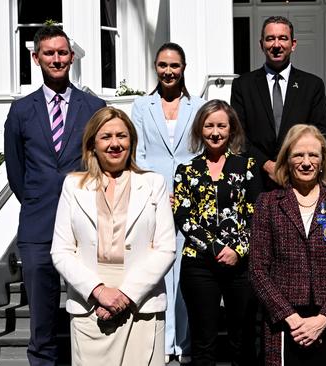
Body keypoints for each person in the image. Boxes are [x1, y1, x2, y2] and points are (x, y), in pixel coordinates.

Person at [4, 25, 105, 365]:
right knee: (43, 324)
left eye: (62, 52)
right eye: (49, 53)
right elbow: (16, 173)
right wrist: (38, 200)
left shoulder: (95, 106)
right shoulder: (21, 111)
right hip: (38, 227)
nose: (57, 58)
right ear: (36, 58)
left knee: (92, 314)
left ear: (72, 57)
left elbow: (103, 163)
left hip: (87, 227)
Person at [50, 107, 175, 365]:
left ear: (132, 141)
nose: (115, 144)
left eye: (122, 136)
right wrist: (98, 291)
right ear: (92, 144)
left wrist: (125, 295)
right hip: (90, 305)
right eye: (106, 137)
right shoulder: (73, 186)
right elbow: (61, 251)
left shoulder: (154, 183)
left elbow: (166, 249)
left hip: (142, 302)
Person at [250, 124, 326, 366]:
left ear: (323, 161)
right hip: (284, 322)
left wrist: (323, 319)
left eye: (313, 155)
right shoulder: (267, 204)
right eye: (298, 155)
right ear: (287, 159)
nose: (306, 162)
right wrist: (292, 318)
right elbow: (258, 269)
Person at [131, 42, 206, 363]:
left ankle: (185, 345)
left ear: (184, 68)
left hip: (192, 202)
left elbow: (203, 153)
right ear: (155, 67)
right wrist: (159, 190)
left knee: (187, 274)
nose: (168, 71)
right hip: (153, 200)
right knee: (158, 273)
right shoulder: (141, 106)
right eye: (163, 65)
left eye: (174, 65)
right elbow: (138, 154)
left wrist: (188, 192)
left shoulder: (200, 106)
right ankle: (162, 343)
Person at [173, 100, 261, 366]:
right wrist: (213, 248)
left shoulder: (247, 167)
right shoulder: (186, 171)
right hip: (199, 264)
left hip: (240, 264)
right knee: (204, 342)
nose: (215, 132)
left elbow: (255, 214)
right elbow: (183, 216)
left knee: (242, 340)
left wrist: (237, 250)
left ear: (231, 129)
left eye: (221, 126)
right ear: (200, 129)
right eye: (209, 125)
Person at [231, 16, 326, 189]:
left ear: (293, 44)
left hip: (299, 178)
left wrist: (296, 162)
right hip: (256, 180)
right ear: (261, 44)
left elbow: (322, 133)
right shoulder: (243, 85)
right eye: (270, 39)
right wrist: (266, 164)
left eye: (282, 38)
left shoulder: (312, 85)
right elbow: (237, 134)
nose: (276, 45)